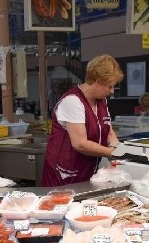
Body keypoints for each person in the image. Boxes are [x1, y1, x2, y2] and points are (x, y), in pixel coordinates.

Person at [41, 54, 123, 187]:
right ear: (97, 81)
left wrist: (117, 146)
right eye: (109, 86)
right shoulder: (73, 101)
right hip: (63, 177)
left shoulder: (101, 101)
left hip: (87, 173)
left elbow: (108, 130)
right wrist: (111, 152)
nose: (112, 91)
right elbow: (80, 143)